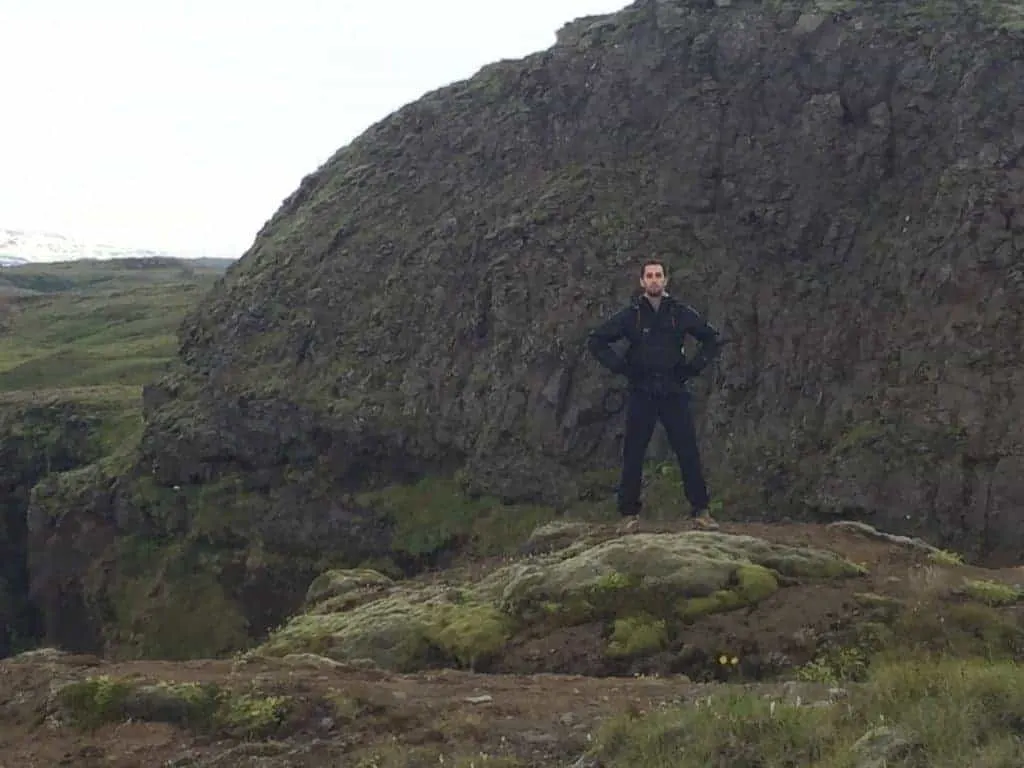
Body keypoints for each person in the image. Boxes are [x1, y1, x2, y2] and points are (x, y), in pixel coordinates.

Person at [586, 259, 723, 533]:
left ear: (666, 280)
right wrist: (623, 369)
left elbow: (711, 338)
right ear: (641, 282)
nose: (654, 280)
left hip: (673, 390)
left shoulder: (679, 313)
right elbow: (597, 340)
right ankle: (628, 515)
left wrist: (691, 369)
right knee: (634, 452)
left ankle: (701, 511)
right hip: (642, 390)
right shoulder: (632, 315)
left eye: (658, 275)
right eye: (649, 276)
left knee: (687, 451)